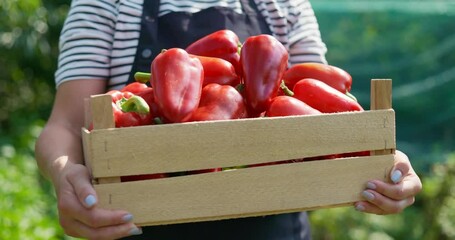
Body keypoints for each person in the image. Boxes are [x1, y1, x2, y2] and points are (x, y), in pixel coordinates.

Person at [34, 0, 422, 239]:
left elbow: (319, 110)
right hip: (139, 225)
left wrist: (380, 161)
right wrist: (64, 173)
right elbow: (67, 124)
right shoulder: (107, 3)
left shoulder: (280, 2)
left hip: (277, 229)